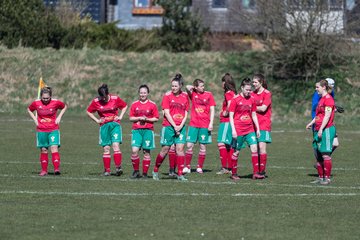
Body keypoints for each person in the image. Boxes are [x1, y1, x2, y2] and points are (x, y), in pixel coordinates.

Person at [152, 73, 189, 181]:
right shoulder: (167, 96)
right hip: (169, 126)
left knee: (180, 149)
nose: (173, 88)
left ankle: (180, 174)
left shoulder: (185, 96)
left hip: (181, 126)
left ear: (180, 86)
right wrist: (175, 126)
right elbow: (166, 113)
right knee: (165, 149)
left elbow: (186, 112)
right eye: (172, 86)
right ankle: (155, 170)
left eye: (175, 86)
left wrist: (180, 125)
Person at [86, 84, 128, 176]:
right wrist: (97, 120)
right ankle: (107, 171)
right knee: (106, 148)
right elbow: (88, 111)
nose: (103, 99)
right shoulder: (96, 101)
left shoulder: (115, 98)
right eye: (102, 97)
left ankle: (118, 168)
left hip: (115, 125)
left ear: (108, 94)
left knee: (116, 146)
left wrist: (120, 116)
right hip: (104, 126)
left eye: (105, 97)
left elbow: (124, 106)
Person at [27, 87, 67, 176]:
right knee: (44, 150)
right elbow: (29, 109)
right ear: (41, 97)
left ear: (50, 97)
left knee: (54, 148)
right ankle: (44, 170)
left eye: (47, 98)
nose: (45, 100)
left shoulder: (55, 102)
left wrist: (59, 117)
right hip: (41, 130)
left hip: (53, 129)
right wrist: (35, 120)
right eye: (43, 98)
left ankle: (56, 169)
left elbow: (64, 107)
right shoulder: (36, 103)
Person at [229, 78, 262, 181]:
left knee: (254, 149)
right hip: (238, 129)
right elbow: (231, 116)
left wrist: (258, 128)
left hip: (249, 129)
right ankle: (234, 173)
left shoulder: (252, 99)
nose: (249, 92)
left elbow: (253, 114)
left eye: (250, 90)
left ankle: (256, 173)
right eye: (247, 89)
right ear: (242, 88)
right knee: (236, 152)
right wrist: (233, 130)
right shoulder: (235, 99)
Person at [306, 79, 336, 185]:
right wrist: (311, 123)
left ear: (324, 87)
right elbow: (319, 115)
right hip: (318, 128)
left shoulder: (328, 99)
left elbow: (327, 116)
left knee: (325, 154)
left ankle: (327, 179)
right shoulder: (321, 99)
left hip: (326, 129)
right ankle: (320, 177)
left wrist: (322, 129)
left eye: (317, 87)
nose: (316, 89)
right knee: (318, 154)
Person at [184, 79, 216, 174]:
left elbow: (212, 109)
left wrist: (211, 123)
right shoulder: (193, 94)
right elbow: (187, 87)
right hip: (193, 124)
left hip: (204, 124)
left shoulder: (209, 95)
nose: (203, 87)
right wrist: (194, 87)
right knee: (189, 145)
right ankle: (187, 167)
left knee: (202, 146)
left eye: (203, 85)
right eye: (201, 86)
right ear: (196, 87)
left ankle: (199, 167)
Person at [129, 85, 159, 178]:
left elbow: (156, 118)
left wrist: (146, 119)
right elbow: (130, 118)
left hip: (148, 131)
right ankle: (136, 171)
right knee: (134, 151)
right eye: (141, 92)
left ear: (148, 93)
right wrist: (138, 118)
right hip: (136, 130)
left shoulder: (152, 105)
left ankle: (145, 173)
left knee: (146, 152)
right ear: (139, 93)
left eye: (144, 93)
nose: (143, 94)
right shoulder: (134, 104)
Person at [310, 78, 339, 167]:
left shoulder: (331, 93)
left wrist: (334, 108)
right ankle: (320, 162)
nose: (331, 88)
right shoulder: (318, 94)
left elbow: (328, 108)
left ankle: (323, 160)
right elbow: (317, 107)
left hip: (329, 122)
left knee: (335, 143)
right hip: (319, 122)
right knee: (318, 146)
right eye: (331, 85)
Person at [251, 74, 272, 177]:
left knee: (261, 147)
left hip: (263, 124)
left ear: (261, 82)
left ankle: (262, 171)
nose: (253, 84)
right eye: (253, 82)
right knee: (255, 148)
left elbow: (263, 108)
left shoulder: (267, 93)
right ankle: (257, 170)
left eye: (255, 82)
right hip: (253, 124)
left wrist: (251, 107)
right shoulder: (252, 94)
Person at [216, 73, 237, 175]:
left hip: (226, 121)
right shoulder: (233, 92)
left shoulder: (228, 93)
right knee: (229, 145)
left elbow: (230, 104)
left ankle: (224, 167)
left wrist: (226, 112)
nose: (222, 84)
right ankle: (230, 167)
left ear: (225, 83)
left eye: (222, 82)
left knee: (221, 142)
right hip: (232, 121)